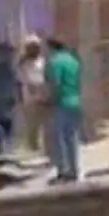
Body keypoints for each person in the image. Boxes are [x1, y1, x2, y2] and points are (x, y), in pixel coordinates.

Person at [43, 38, 82, 184]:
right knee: (72, 138)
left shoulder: (54, 62)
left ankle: (63, 171)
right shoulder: (74, 61)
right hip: (75, 101)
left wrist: (48, 100)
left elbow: (55, 84)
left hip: (61, 103)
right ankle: (74, 170)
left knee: (58, 139)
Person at [15, 35, 47, 155]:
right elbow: (19, 80)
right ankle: (33, 150)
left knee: (45, 124)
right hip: (29, 96)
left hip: (43, 95)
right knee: (32, 125)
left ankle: (44, 150)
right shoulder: (22, 63)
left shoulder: (43, 61)